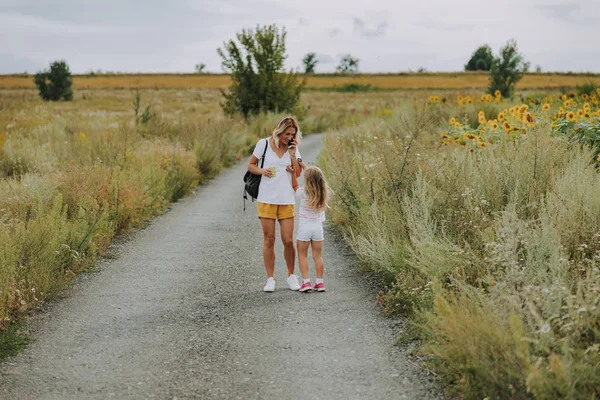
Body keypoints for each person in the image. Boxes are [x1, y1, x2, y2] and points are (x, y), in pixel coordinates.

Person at [247, 116, 305, 292]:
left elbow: (298, 173)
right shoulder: (263, 144)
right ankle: (270, 279)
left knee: (288, 240)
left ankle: (291, 276)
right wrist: (262, 171)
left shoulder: (293, 149)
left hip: (287, 199)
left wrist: (293, 155)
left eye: (292, 134)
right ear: (279, 131)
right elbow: (251, 165)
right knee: (269, 239)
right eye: (286, 133)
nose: (289, 137)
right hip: (267, 199)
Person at [290, 166, 331, 292]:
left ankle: (306, 282)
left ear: (307, 181)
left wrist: (293, 174)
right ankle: (320, 283)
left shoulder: (304, 193)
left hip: (305, 228)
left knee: (302, 255)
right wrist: (305, 167)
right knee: (317, 256)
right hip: (317, 229)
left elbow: (295, 186)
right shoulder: (323, 193)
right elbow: (314, 175)